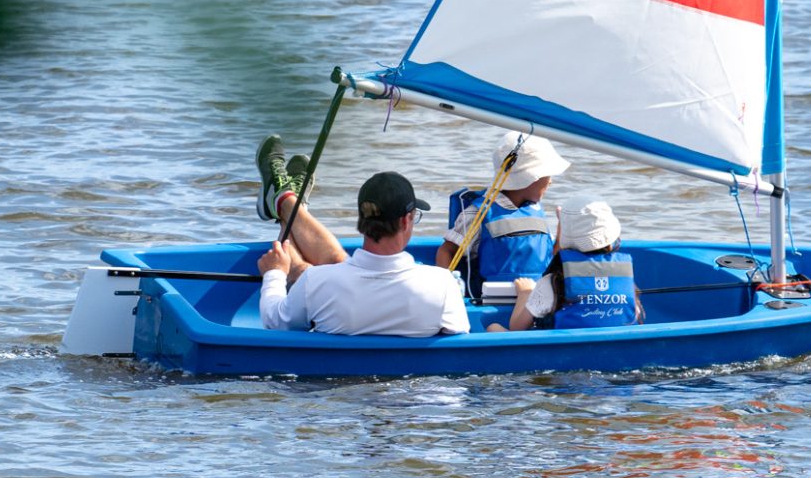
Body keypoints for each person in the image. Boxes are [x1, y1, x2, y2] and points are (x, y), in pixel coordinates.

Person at [255, 169, 468, 339]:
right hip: (411, 388)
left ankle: (286, 204)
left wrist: (274, 273)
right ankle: (288, 202)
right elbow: (459, 338)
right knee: (331, 267)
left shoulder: (316, 281)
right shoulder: (442, 284)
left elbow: (276, 322)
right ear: (405, 220)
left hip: (330, 389)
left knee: (318, 272)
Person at [436, 133, 569, 302]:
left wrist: (561, 233)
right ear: (530, 178)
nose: (550, 182)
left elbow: (549, 261)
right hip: (491, 303)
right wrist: (449, 288)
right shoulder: (479, 213)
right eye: (547, 175)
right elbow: (446, 251)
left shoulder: (536, 211)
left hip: (536, 304)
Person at [496, 200, 641, 332]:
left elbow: (516, 327)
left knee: (493, 327)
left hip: (559, 353)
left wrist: (525, 293)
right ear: (610, 241)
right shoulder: (624, 277)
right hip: (612, 349)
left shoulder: (553, 282)